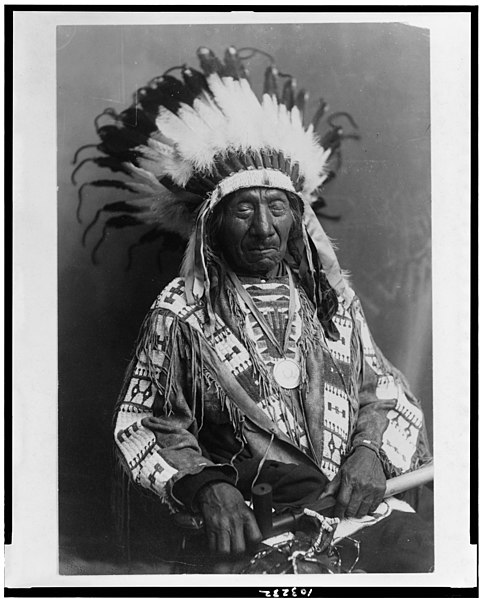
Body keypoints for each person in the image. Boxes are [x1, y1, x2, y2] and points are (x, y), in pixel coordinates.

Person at [77, 46, 433, 572]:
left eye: (277, 207)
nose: (263, 228)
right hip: (254, 528)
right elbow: (146, 423)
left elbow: (380, 392)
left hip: (354, 515)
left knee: (433, 560)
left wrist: (370, 453)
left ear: (297, 218)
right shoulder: (182, 313)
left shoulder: (330, 301)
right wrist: (205, 486)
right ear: (214, 222)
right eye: (244, 209)